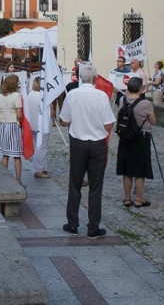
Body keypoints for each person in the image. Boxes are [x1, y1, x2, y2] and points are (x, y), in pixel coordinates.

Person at [58, 63, 115, 238]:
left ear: (80, 78)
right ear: (96, 79)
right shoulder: (101, 96)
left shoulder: (73, 95)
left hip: (78, 142)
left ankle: (73, 223)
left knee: (74, 183)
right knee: (96, 186)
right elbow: (108, 124)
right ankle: (93, 226)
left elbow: (64, 121)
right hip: (97, 143)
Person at [116, 77, 157, 208]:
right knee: (140, 170)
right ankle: (138, 198)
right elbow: (153, 121)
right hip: (141, 137)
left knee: (127, 170)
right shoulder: (145, 104)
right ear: (140, 89)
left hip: (125, 137)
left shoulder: (122, 100)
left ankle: (127, 198)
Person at [0, 74, 25, 185]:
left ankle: (4, 179)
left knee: (5, 154)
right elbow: (19, 114)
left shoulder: (0, 94)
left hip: (2, 125)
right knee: (16, 155)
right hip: (12, 126)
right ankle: (18, 180)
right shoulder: (16, 96)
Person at [27, 76, 51, 179]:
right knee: (41, 148)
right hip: (42, 126)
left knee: (39, 147)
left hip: (33, 124)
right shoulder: (43, 97)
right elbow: (51, 112)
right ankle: (39, 169)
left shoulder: (30, 94)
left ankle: (42, 166)